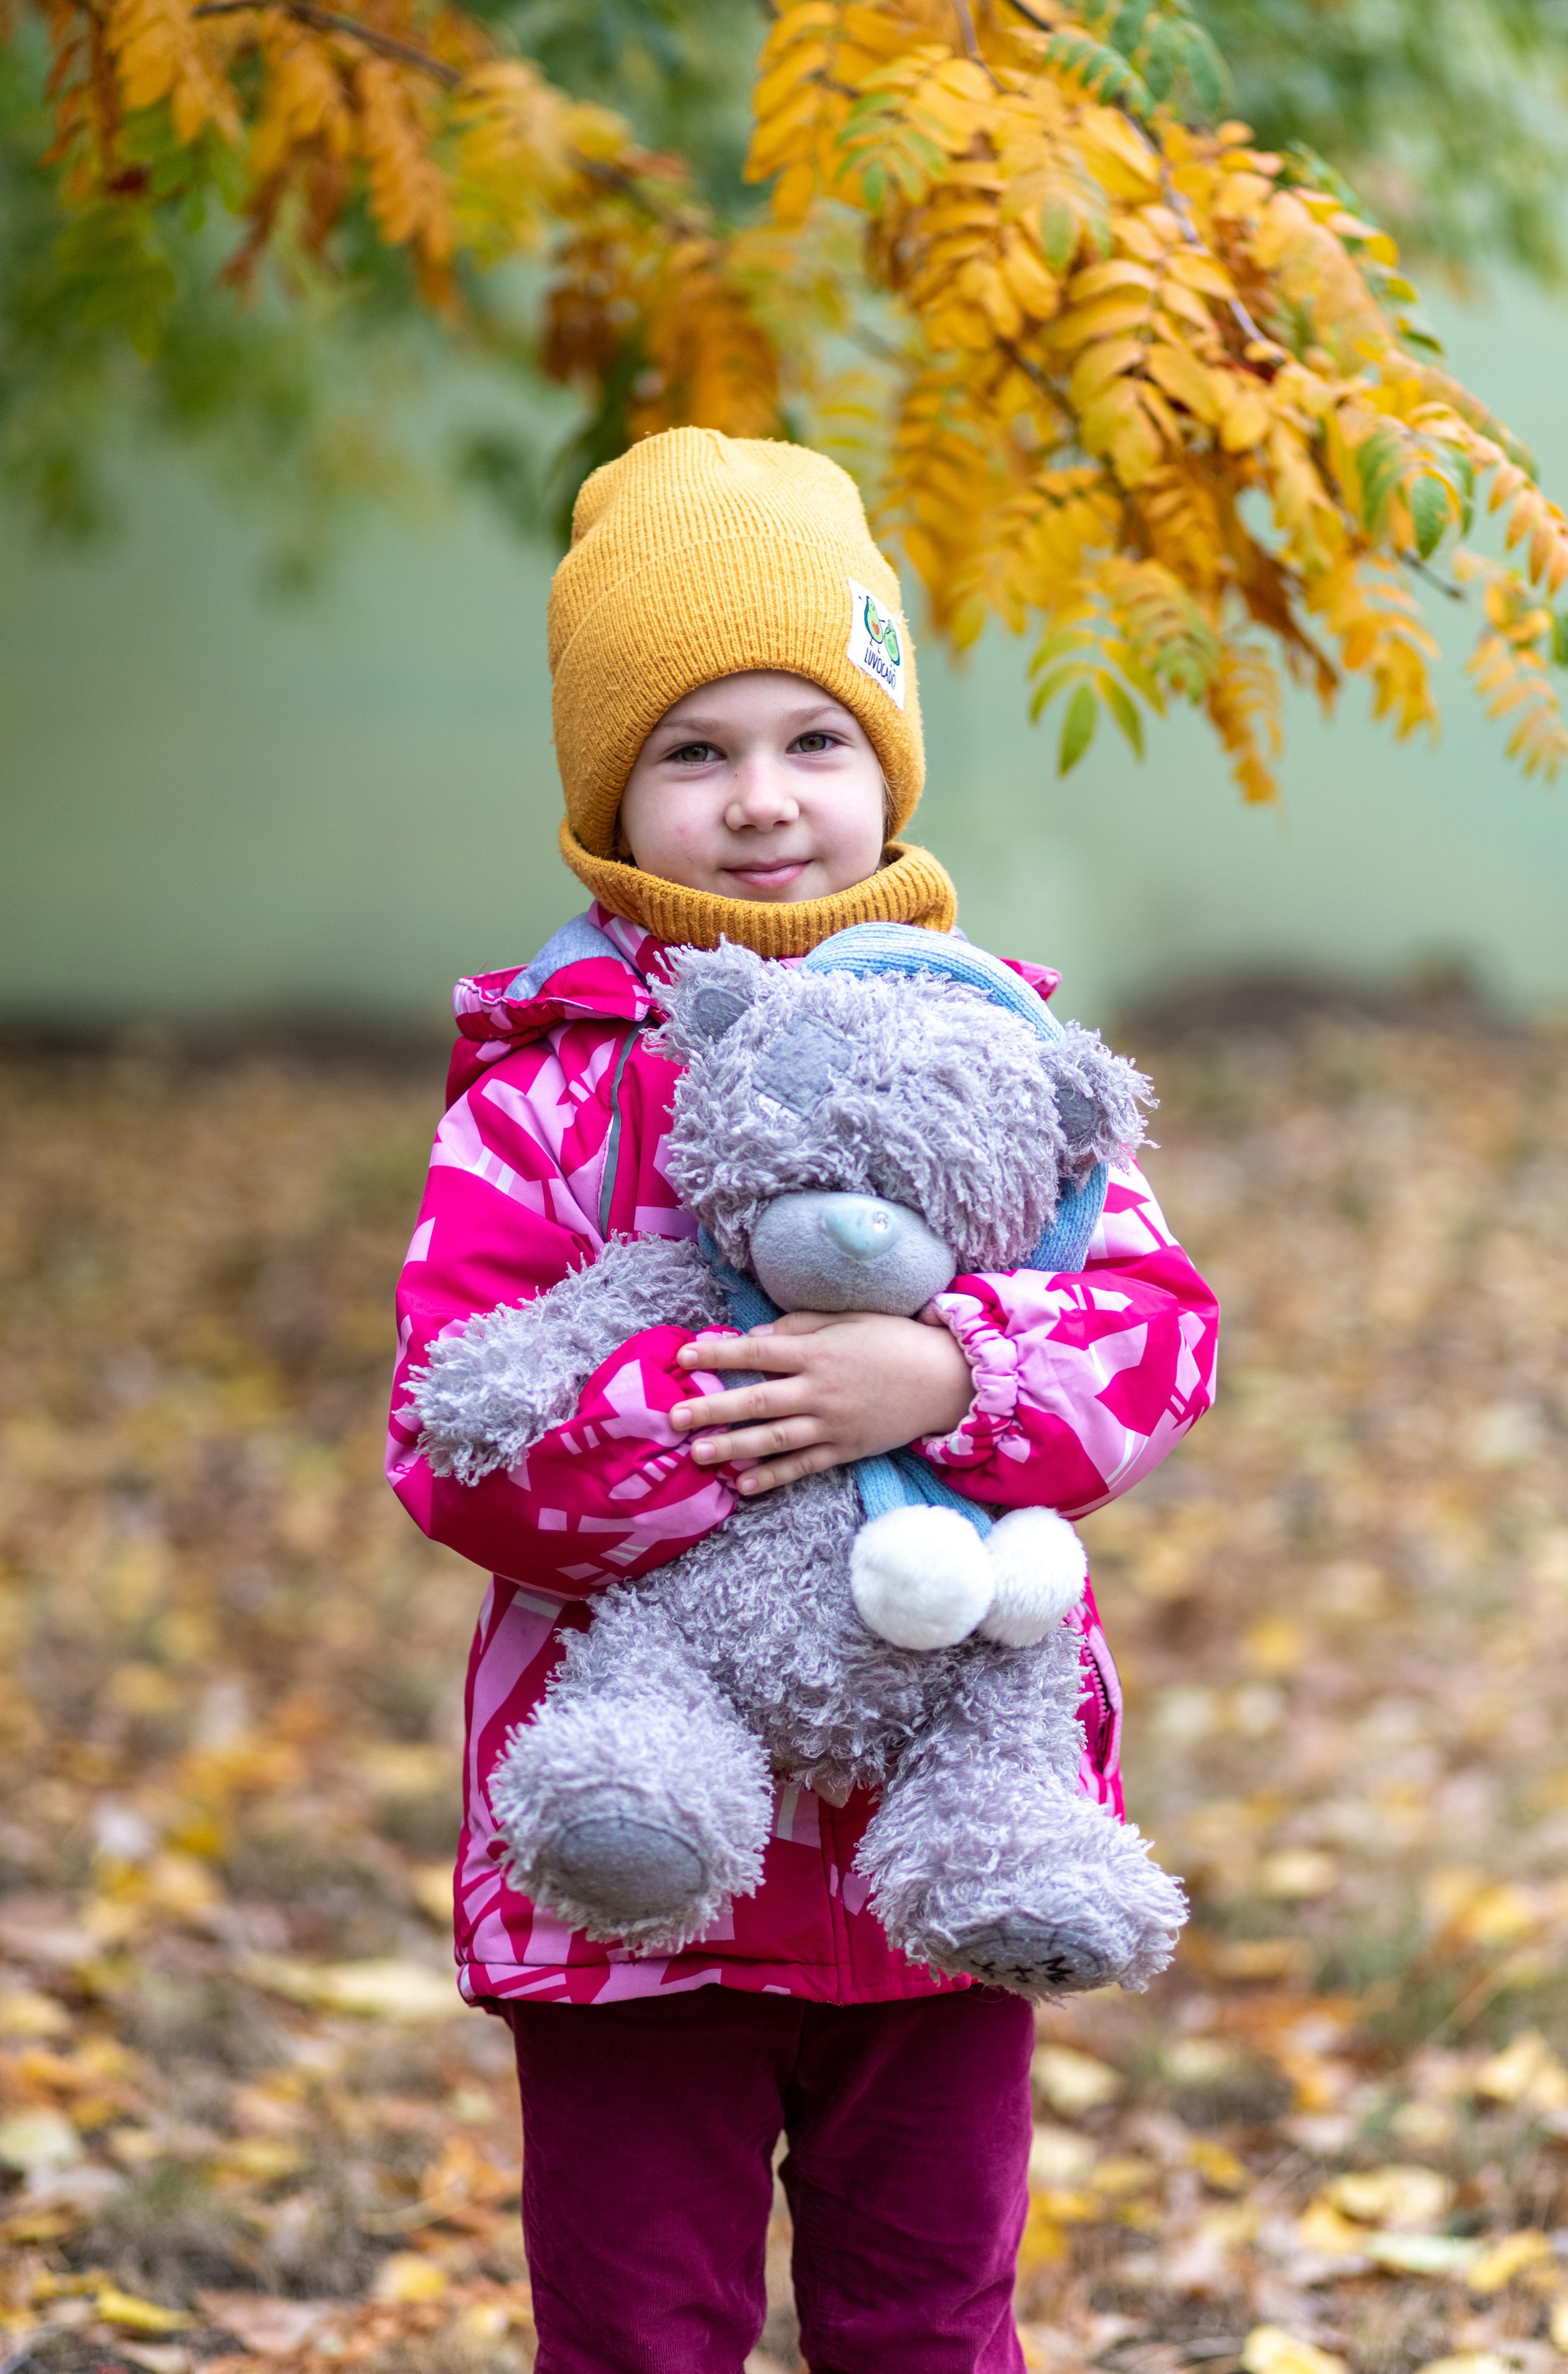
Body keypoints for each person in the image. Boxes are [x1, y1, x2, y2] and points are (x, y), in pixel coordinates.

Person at [386, 426, 1219, 2374]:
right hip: (639, 1878)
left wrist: (942, 1372)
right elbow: (454, 1440)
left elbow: (1156, 1340)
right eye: (695, 752)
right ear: (613, 788)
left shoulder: (1003, 1053)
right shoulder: (548, 1094)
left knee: (932, 2316)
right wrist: (730, 1402)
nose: (763, 804)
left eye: (811, 740)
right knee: (636, 2326)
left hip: (944, 1853)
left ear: (886, 762)